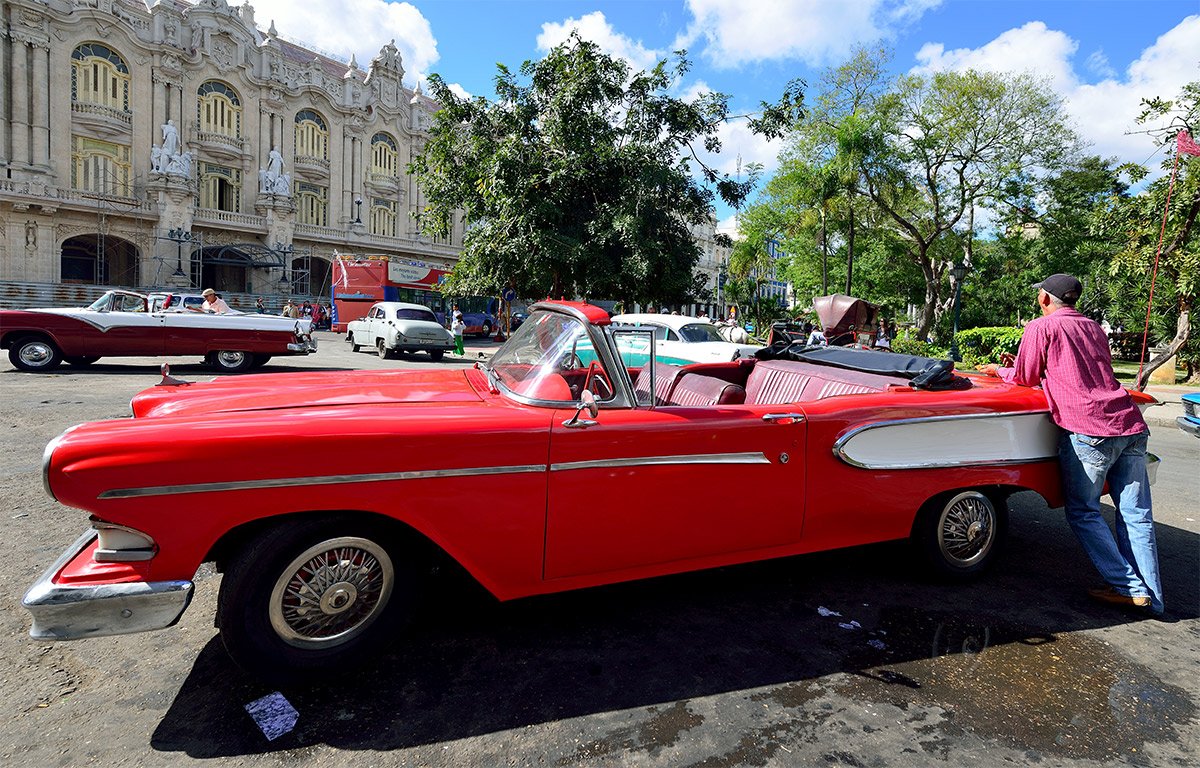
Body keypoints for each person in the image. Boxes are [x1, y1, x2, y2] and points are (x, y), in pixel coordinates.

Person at [978, 273, 1161, 614]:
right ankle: (1152, 596)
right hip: (1129, 422)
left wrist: (998, 371)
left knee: (1083, 511)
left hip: (1089, 428)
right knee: (1136, 515)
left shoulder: (1040, 327)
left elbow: (1025, 377)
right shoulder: (1094, 327)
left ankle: (1130, 587)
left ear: (1045, 299)